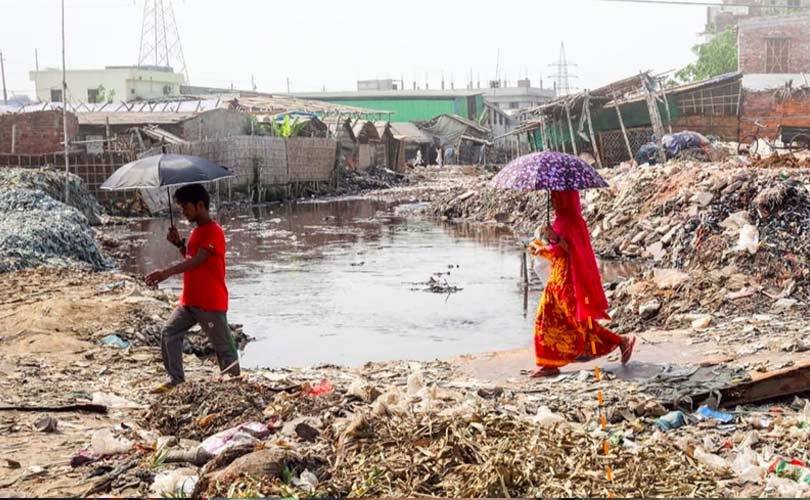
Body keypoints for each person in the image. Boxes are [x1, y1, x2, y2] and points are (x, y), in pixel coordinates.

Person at [527, 190, 635, 378]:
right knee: (545, 320)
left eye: (556, 197)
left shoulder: (574, 221)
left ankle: (621, 341)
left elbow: (570, 249)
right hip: (557, 280)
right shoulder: (559, 219)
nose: (553, 200)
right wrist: (543, 246)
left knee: (580, 325)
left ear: (565, 198)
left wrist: (554, 239)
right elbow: (557, 250)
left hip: (570, 281)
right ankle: (548, 363)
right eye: (552, 197)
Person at [145, 184, 241, 393]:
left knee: (224, 348)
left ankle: (234, 386)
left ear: (200, 205)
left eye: (185, 207)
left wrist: (166, 272)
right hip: (190, 300)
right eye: (180, 208)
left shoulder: (213, 232)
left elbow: (197, 261)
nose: (183, 212)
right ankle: (176, 379)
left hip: (209, 302)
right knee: (169, 333)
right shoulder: (197, 231)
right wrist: (179, 244)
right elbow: (189, 258)